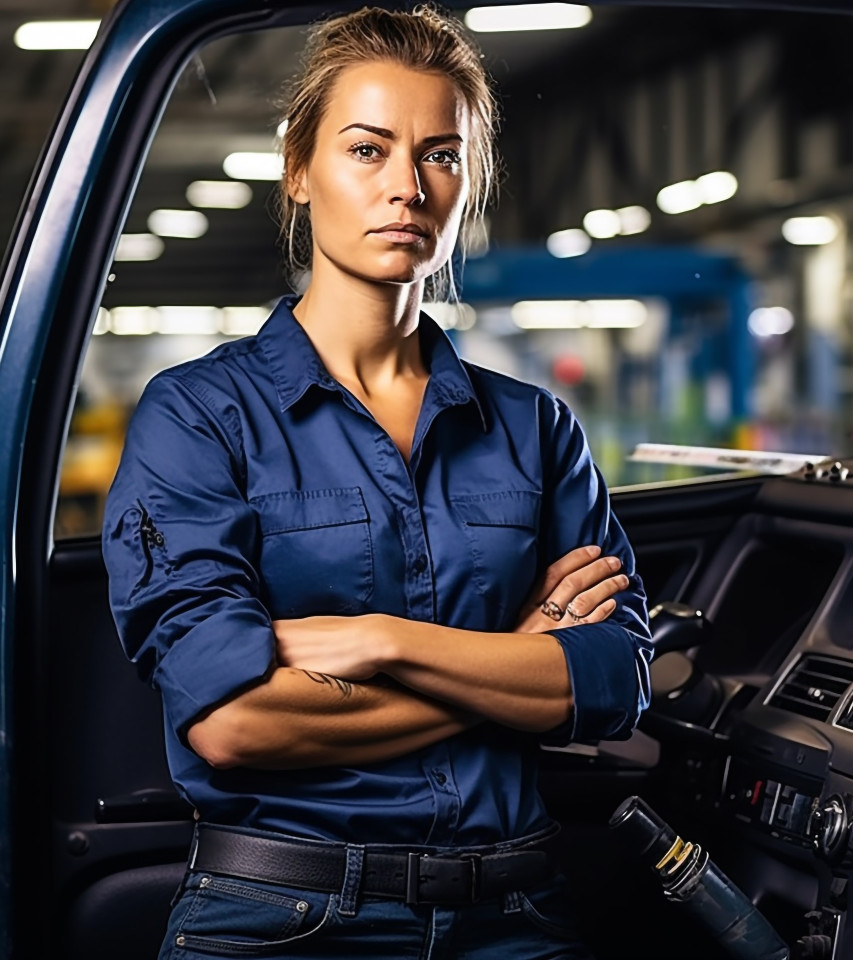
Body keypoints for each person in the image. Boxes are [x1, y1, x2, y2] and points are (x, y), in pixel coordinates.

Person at [102, 6, 652, 958]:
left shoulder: (533, 426)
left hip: (514, 914)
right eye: (367, 149)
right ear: (299, 169)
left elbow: (611, 681)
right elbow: (231, 723)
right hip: (282, 916)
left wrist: (378, 640)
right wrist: (508, 663)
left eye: (440, 155)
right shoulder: (197, 418)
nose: (406, 187)